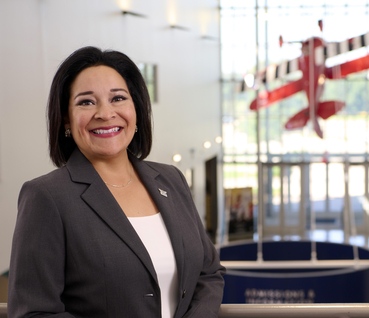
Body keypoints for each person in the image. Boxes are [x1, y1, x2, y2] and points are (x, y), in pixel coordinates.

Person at [8, 46, 225, 318]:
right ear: (65, 117)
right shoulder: (46, 197)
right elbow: (34, 312)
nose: (105, 113)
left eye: (118, 98)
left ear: (136, 109)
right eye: (86, 102)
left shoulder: (171, 179)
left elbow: (209, 272)